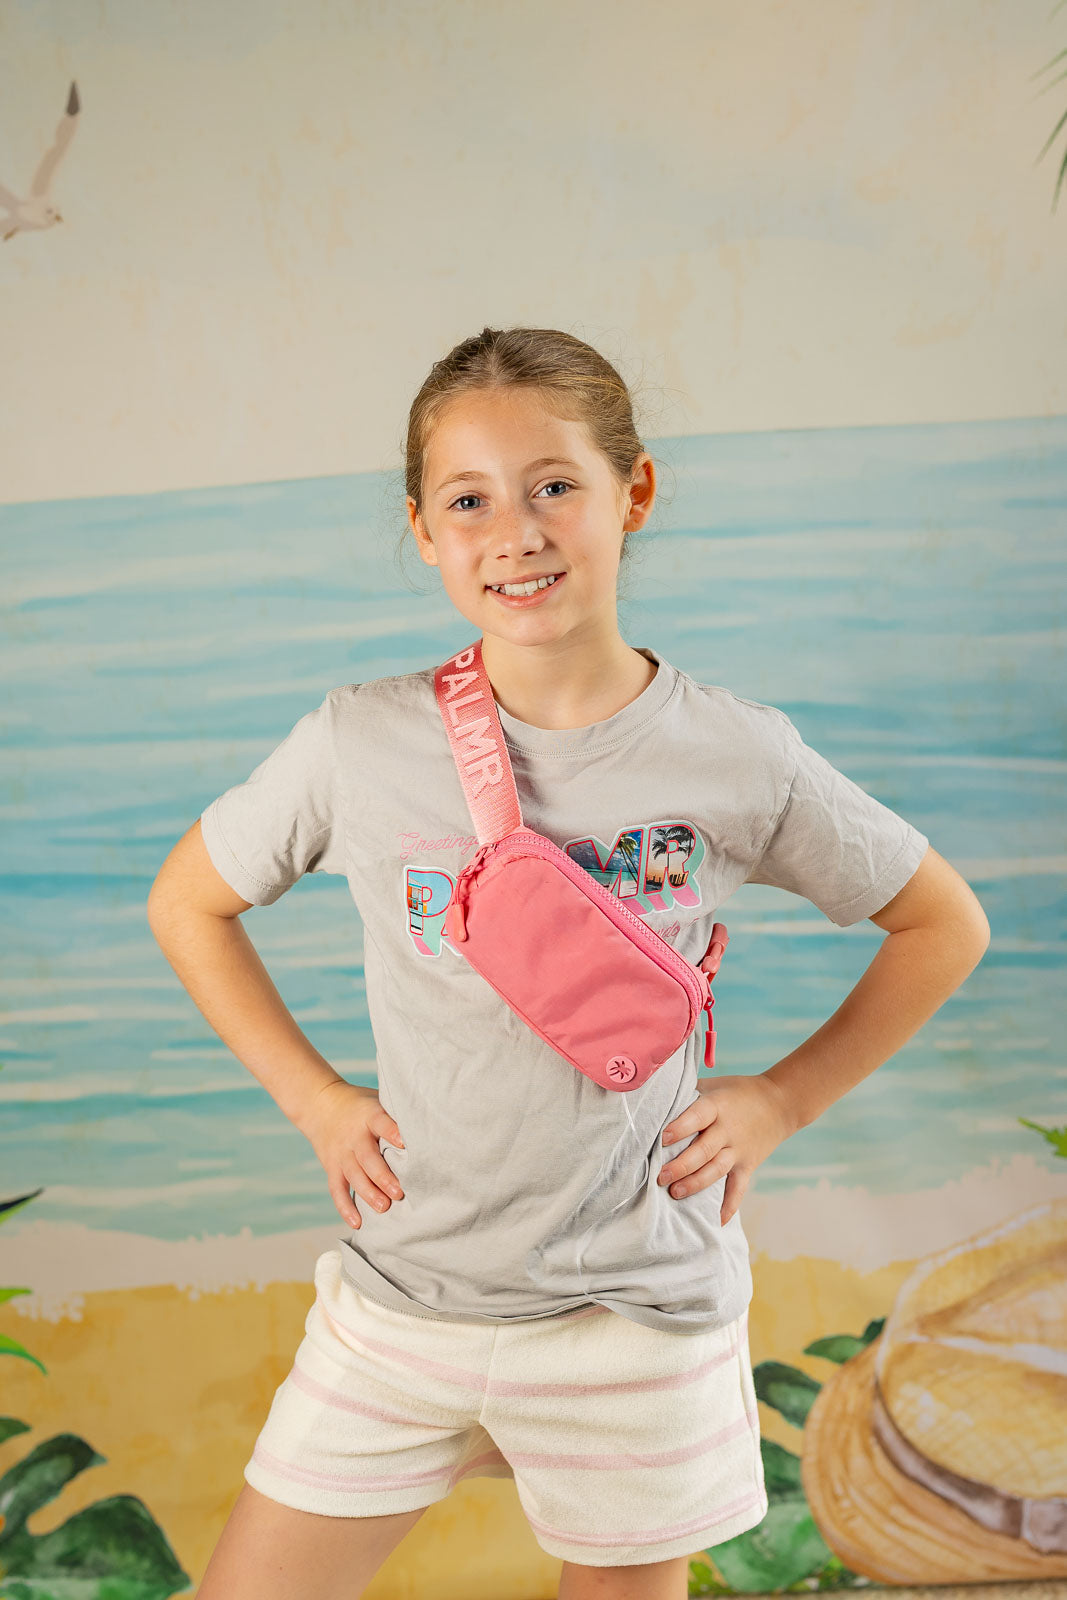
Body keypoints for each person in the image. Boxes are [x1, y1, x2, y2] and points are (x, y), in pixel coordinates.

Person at [146, 326, 991, 1600]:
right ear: (423, 531)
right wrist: (315, 1099)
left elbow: (943, 923)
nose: (514, 532)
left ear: (631, 493)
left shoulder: (735, 753)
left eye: (554, 486)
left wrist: (779, 1098)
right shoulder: (357, 742)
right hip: (404, 1295)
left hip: (636, 1316)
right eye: (468, 501)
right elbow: (187, 904)